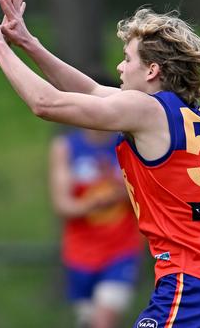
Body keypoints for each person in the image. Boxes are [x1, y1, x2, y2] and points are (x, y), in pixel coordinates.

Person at [0, 0, 200, 327]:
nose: (120, 69)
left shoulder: (144, 109)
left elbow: (45, 103)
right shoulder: (184, 112)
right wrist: (27, 41)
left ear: (152, 71)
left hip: (192, 284)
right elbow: (90, 89)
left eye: (127, 59)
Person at [50, 127, 143, 328]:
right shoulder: (66, 147)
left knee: (103, 321)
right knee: (88, 321)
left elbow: (145, 193)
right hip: (80, 255)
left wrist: (117, 195)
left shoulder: (129, 143)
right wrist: (95, 203)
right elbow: (63, 205)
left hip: (122, 250)